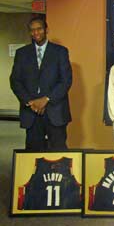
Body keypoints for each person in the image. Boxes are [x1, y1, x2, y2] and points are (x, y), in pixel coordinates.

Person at [10, 17, 72, 151]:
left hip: (55, 111)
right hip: (31, 113)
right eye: (32, 30)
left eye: (39, 29)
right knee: (33, 154)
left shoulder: (60, 52)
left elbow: (66, 80)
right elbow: (15, 81)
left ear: (46, 30)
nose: (36, 33)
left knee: (58, 153)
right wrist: (30, 102)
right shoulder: (22, 53)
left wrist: (46, 99)